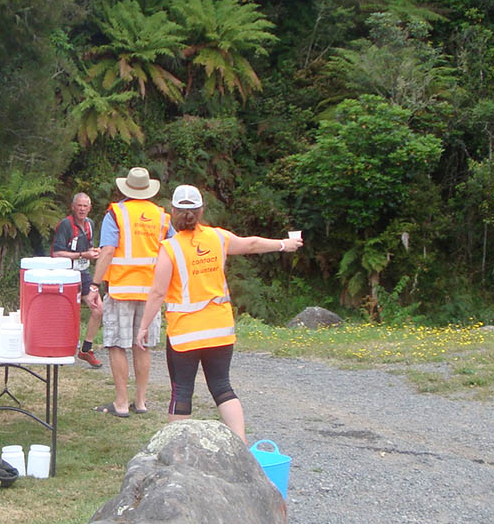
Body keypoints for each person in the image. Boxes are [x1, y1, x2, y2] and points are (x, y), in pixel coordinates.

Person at [137, 185, 304, 442]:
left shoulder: (170, 248)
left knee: (182, 391)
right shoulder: (218, 237)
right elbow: (251, 244)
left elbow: (158, 293)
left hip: (185, 335)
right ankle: (241, 444)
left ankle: (177, 451)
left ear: (172, 212)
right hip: (220, 330)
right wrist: (284, 244)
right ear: (201, 211)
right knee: (222, 387)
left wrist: (143, 327)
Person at [91, 167, 170, 417]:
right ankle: (141, 401)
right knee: (142, 345)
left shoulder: (116, 213)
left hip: (121, 290)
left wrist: (94, 284)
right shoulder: (161, 216)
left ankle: (122, 403)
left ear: (126, 188)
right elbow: (172, 251)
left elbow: (108, 251)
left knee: (117, 345)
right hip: (151, 292)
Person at [50, 192, 104, 367]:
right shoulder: (66, 225)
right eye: (79, 205)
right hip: (66, 275)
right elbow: (56, 253)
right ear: (73, 207)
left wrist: (94, 252)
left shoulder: (90, 224)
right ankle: (58, 349)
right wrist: (82, 254)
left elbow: (88, 247)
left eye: (85, 206)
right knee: (65, 312)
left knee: (98, 309)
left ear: (90, 208)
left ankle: (86, 349)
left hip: (84, 273)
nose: (82, 209)